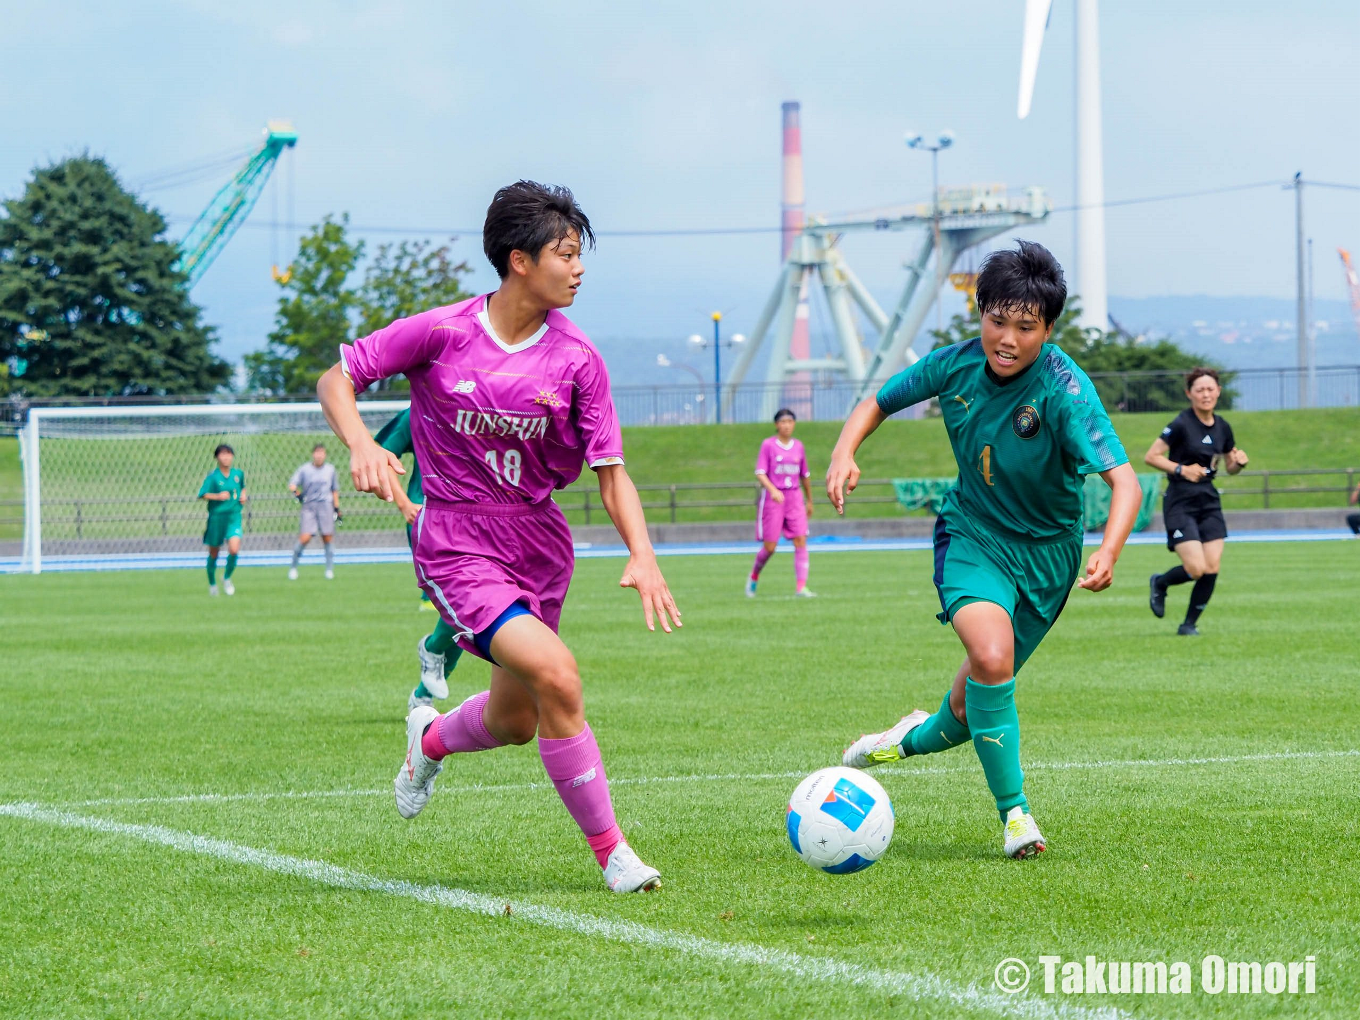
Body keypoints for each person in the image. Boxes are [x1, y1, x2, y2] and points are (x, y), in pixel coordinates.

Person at [317, 180, 681, 893]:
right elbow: (338, 379)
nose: (578, 269)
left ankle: (429, 740)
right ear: (520, 260)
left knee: (517, 720)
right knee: (559, 677)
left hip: (539, 543)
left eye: (580, 256)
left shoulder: (579, 361)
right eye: (566, 254)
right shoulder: (443, 332)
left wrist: (643, 554)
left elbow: (612, 474)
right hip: (456, 539)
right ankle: (614, 853)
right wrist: (361, 442)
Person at [829, 241, 1141, 860]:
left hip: (1049, 561)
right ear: (981, 314)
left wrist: (1110, 548)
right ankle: (1017, 817)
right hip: (973, 536)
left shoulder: (1065, 390)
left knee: (970, 707)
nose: (1006, 338)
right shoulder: (954, 365)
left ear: (1048, 330)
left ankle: (905, 741)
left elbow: (1124, 481)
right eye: (996, 320)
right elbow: (877, 401)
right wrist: (845, 452)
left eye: (1025, 327)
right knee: (992, 659)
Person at [1144, 368, 1249, 635]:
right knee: (1196, 568)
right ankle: (1161, 583)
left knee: (1212, 567)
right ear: (1189, 393)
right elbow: (1152, 456)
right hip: (1180, 501)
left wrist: (1239, 463)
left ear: (1218, 392)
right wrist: (1181, 469)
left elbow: (1229, 465)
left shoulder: (1223, 426)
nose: (1206, 394)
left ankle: (1188, 624)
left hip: (1209, 501)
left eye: (1210, 389)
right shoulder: (1181, 423)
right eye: (1200, 390)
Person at [373, 407, 465, 711]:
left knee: (473, 611)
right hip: (429, 520)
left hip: (477, 520)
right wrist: (403, 503)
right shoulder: (415, 413)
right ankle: (430, 662)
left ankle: (426, 685)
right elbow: (380, 456)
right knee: (463, 602)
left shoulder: (479, 405)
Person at [746, 408, 815, 598]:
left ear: (794, 424)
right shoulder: (768, 445)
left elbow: (805, 475)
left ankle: (801, 587)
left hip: (794, 498)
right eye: (783, 422)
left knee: (801, 540)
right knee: (770, 547)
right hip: (774, 500)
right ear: (777, 425)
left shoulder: (798, 446)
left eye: (790, 422)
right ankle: (754, 576)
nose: (786, 425)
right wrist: (773, 490)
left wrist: (809, 500)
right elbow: (760, 472)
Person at [198, 444, 247, 596]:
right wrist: (217, 496)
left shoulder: (238, 474)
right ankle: (212, 584)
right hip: (217, 519)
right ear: (217, 457)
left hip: (234, 517)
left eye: (229, 454)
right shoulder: (213, 477)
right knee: (214, 553)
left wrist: (244, 495)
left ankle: (226, 578)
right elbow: (202, 494)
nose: (226, 457)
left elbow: (242, 487)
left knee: (234, 549)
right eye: (222, 454)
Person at [287, 443, 341, 579]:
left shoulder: (330, 470)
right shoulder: (305, 469)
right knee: (304, 537)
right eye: (317, 453)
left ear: (325, 455)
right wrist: (297, 493)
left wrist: (337, 508)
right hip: (309, 506)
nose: (319, 456)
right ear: (313, 454)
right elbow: (292, 484)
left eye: (322, 453)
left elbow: (334, 490)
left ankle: (329, 569)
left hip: (326, 506)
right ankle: (293, 567)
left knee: (327, 537)